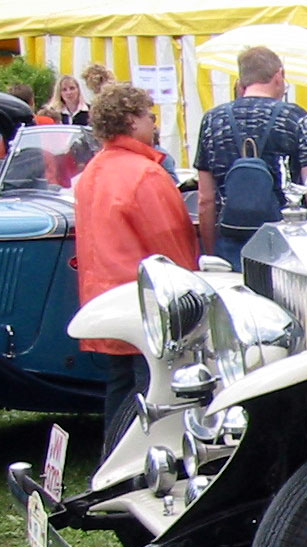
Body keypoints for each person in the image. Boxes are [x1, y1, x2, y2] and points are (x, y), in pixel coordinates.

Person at [72, 83, 198, 437]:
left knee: (120, 386)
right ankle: (148, 456)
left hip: (103, 299)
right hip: (145, 302)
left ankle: (113, 453)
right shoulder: (145, 174)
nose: (154, 122)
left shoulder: (92, 172)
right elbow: (172, 242)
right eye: (148, 115)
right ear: (130, 120)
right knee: (153, 389)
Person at [195, 46, 307, 269]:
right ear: (279, 76)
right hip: (285, 240)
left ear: (242, 80)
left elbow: (205, 199)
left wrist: (211, 251)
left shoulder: (212, 120)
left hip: (231, 239)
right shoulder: (294, 117)